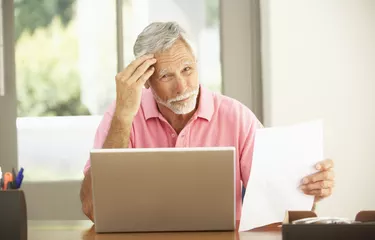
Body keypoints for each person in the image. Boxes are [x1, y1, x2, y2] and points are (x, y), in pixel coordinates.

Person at [80, 22, 335, 222]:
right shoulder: (121, 117)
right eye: (167, 75)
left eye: (188, 69)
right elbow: (93, 208)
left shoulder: (236, 116)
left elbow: (278, 205)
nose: (182, 86)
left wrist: (310, 191)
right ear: (146, 80)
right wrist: (123, 116)